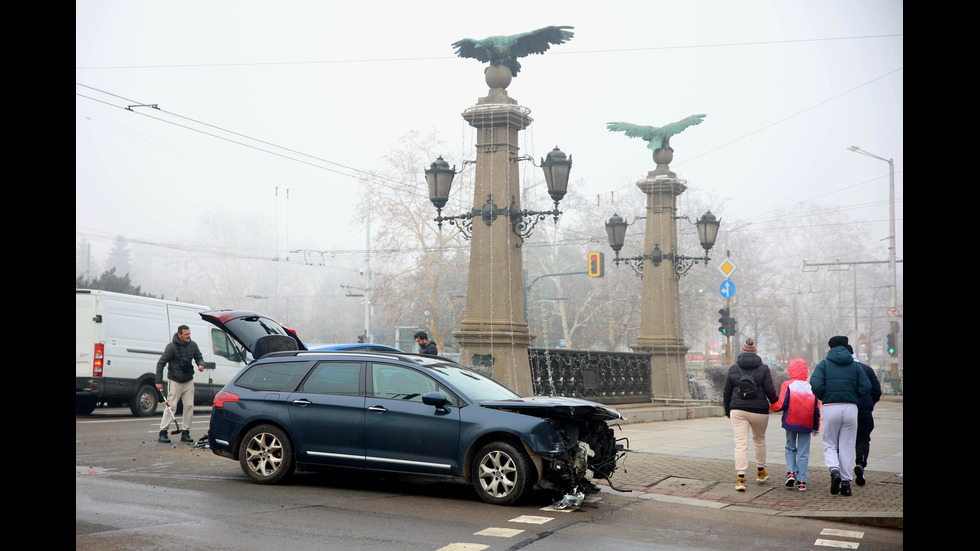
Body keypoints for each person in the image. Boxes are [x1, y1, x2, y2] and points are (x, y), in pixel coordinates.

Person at [810, 335, 871, 496]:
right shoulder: (855, 366)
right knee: (847, 445)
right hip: (851, 407)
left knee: (830, 442)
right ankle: (846, 484)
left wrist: (825, 395)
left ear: (830, 348)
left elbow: (815, 384)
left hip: (831, 406)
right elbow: (866, 386)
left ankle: (834, 470)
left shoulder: (824, 365)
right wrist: (853, 395)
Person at [723, 337, 777, 491]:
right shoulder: (764, 368)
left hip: (738, 409)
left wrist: (728, 410)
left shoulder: (734, 368)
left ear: (742, 350)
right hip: (759, 410)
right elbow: (770, 390)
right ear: (755, 351)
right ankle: (761, 472)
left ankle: (741, 479)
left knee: (741, 444)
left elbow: (726, 392)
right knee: (759, 440)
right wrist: (775, 403)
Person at [769, 358, 821, 492]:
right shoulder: (811, 386)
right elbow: (816, 408)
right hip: (806, 424)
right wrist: (816, 426)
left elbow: (782, 404)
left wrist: (771, 406)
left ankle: (791, 472)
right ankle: (802, 481)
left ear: (791, 370)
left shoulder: (788, 384)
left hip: (791, 421)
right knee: (804, 452)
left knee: (790, 447)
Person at [155, 325, 205, 443]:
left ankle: (186, 432)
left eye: (189, 334)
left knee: (189, 406)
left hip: (188, 380)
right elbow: (161, 363)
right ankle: (163, 432)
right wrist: (158, 381)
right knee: (171, 406)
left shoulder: (193, 345)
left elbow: (199, 357)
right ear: (179, 335)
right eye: (186, 334)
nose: (189, 336)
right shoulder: (171, 347)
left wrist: (201, 364)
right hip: (175, 380)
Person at [845, 343, 882, 486]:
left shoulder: (842, 370)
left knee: (844, 440)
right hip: (864, 411)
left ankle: (844, 471)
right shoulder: (867, 369)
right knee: (863, 439)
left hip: (846, 408)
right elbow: (877, 391)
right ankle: (860, 463)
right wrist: (869, 404)